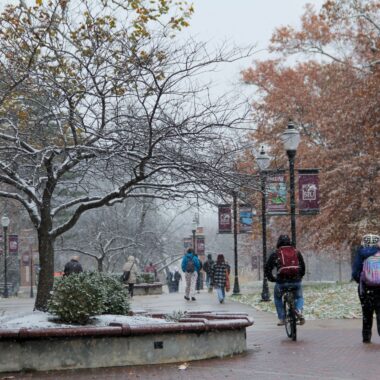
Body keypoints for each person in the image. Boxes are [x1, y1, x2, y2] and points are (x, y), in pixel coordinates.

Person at [265, 234, 306, 326]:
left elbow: (267, 268)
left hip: (282, 282)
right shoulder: (296, 252)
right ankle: (298, 310)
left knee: (277, 298)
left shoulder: (276, 253)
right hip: (296, 281)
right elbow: (302, 266)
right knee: (299, 297)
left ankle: (282, 318)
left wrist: (272, 279)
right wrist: (300, 276)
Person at [352, 234, 380, 343]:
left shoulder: (361, 253)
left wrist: (361, 280)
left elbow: (355, 272)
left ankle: (366, 337)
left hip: (366, 288)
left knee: (366, 313)